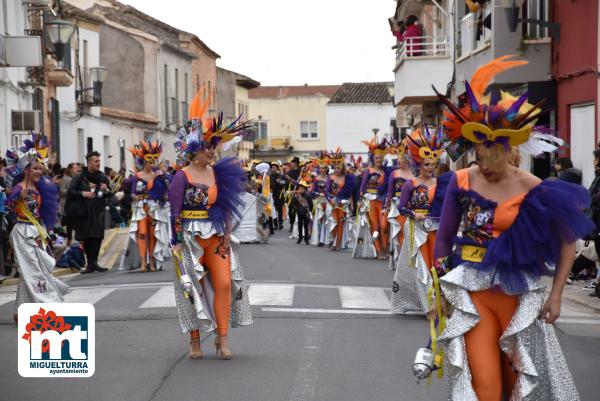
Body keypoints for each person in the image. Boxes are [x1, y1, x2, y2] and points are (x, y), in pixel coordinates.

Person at [430, 57, 593, 401]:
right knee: (485, 386)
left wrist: (557, 294)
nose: (484, 163)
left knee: (515, 386)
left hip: (519, 296)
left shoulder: (536, 187)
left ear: (509, 148)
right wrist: (439, 291)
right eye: (479, 151)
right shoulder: (460, 180)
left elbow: (568, 241)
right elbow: (444, 238)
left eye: (494, 155)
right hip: (472, 294)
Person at [170, 93, 253, 359]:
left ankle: (222, 338)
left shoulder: (219, 173)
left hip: (216, 235)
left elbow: (225, 206)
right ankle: (195, 340)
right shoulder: (181, 177)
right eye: (207, 144)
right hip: (189, 238)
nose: (211, 149)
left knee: (225, 284)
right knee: (191, 290)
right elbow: (174, 212)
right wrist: (176, 241)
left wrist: (228, 234)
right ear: (195, 148)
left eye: (214, 145)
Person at [4, 134, 68, 322]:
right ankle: (48, 305)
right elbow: (6, 207)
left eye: (41, 168)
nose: (39, 172)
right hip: (22, 232)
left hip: (36, 232)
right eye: (36, 168)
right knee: (33, 270)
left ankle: (20, 311)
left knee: (32, 270)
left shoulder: (39, 189)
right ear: (26, 169)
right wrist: (16, 198)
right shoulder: (18, 188)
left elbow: (43, 214)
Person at [390, 127, 448, 315]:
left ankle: (436, 302)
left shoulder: (441, 184)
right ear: (419, 165)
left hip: (435, 228)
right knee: (422, 264)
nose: (430, 168)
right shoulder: (411, 184)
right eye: (426, 165)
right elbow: (401, 208)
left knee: (435, 264)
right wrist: (415, 215)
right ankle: (426, 306)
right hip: (416, 228)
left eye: (433, 164)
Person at [119, 141, 171, 272]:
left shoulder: (158, 175)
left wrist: (160, 180)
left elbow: (165, 191)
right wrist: (134, 196)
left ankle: (152, 262)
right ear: (143, 161)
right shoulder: (137, 176)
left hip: (154, 208)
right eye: (149, 160)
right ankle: (143, 262)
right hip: (141, 208)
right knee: (142, 233)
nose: (151, 163)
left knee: (153, 234)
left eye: (153, 160)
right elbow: (131, 191)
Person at [68, 151, 111, 274]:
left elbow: (110, 192)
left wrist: (105, 189)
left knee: (97, 236)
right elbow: (71, 191)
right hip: (84, 211)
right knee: (86, 237)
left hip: (98, 211)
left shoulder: (102, 177)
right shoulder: (79, 177)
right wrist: (83, 193)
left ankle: (94, 262)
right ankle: (90, 264)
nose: (98, 163)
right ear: (89, 163)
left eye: (99, 161)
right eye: (96, 161)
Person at [386, 139, 414, 270]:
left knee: (408, 233)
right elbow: (390, 192)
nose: (398, 160)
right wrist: (386, 206)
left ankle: (406, 260)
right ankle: (398, 260)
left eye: (400, 158)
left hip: (410, 207)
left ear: (407, 159)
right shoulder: (394, 174)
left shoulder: (414, 175)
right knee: (398, 233)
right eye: (397, 158)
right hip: (397, 206)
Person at [325, 149, 356, 251]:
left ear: (342, 168)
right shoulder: (330, 177)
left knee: (341, 223)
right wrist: (330, 201)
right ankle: (333, 240)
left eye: (339, 167)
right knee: (333, 223)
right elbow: (327, 191)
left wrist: (351, 204)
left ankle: (337, 244)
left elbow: (350, 192)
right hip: (333, 203)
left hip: (343, 204)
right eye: (335, 168)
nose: (337, 169)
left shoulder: (348, 178)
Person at [309, 152, 330, 247]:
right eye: (320, 168)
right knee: (319, 219)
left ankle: (327, 239)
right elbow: (312, 191)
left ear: (326, 169)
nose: (322, 170)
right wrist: (318, 194)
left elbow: (331, 189)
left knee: (327, 219)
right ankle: (320, 239)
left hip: (328, 201)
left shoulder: (330, 178)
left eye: (324, 168)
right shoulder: (316, 179)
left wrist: (326, 195)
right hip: (319, 201)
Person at [60, 163, 81, 244]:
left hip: (74, 205)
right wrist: (72, 191)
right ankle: (68, 240)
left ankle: (72, 240)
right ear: (70, 169)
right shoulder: (65, 179)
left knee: (72, 223)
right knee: (70, 223)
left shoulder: (75, 178)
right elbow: (61, 191)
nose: (77, 169)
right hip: (66, 204)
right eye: (75, 168)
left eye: (77, 167)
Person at [289, 181, 313, 245]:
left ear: (305, 189)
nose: (300, 190)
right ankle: (300, 237)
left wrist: (309, 211)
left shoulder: (308, 196)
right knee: (300, 225)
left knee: (306, 226)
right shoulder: (296, 196)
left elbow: (311, 204)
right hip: (299, 213)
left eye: (302, 189)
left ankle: (306, 238)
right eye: (299, 188)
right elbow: (293, 204)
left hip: (306, 213)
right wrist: (296, 209)